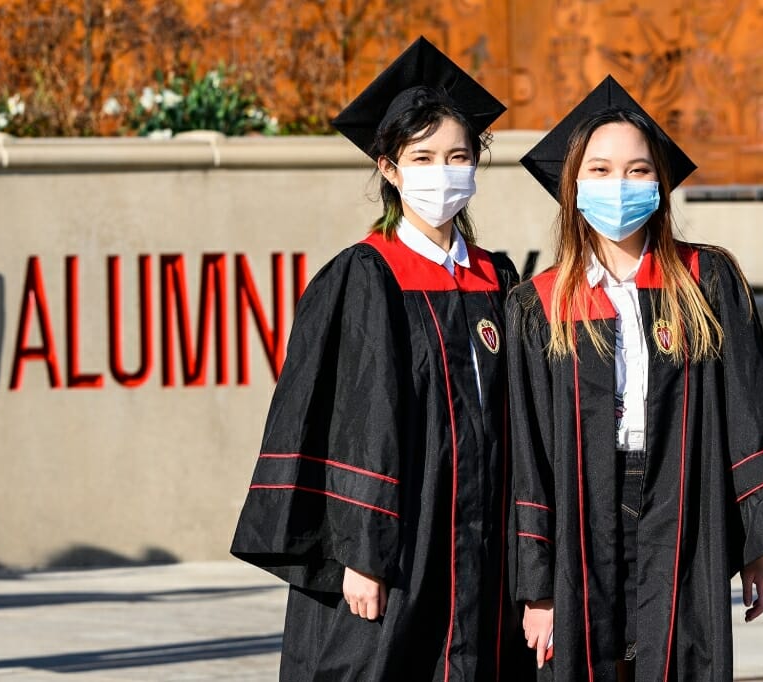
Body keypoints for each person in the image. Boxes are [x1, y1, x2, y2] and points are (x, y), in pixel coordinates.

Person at [231, 36, 533, 680]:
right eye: (422, 157)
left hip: (480, 548)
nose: (443, 172)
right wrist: (361, 553)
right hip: (400, 547)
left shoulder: (497, 280)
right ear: (390, 168)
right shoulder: (364, 278)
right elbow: (354, 421)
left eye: (457, 156)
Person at [508, 76, 763, 682]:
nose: (619, 185)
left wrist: (753, 542)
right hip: (584, 508)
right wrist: (537, 586)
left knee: (681, 655)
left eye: (636, 170)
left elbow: (746, 413)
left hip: (687, 499)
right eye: (599, 170)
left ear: (660, 183)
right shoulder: (539, 304)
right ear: (573, 185)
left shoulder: (706, 281)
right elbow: (532, 456)